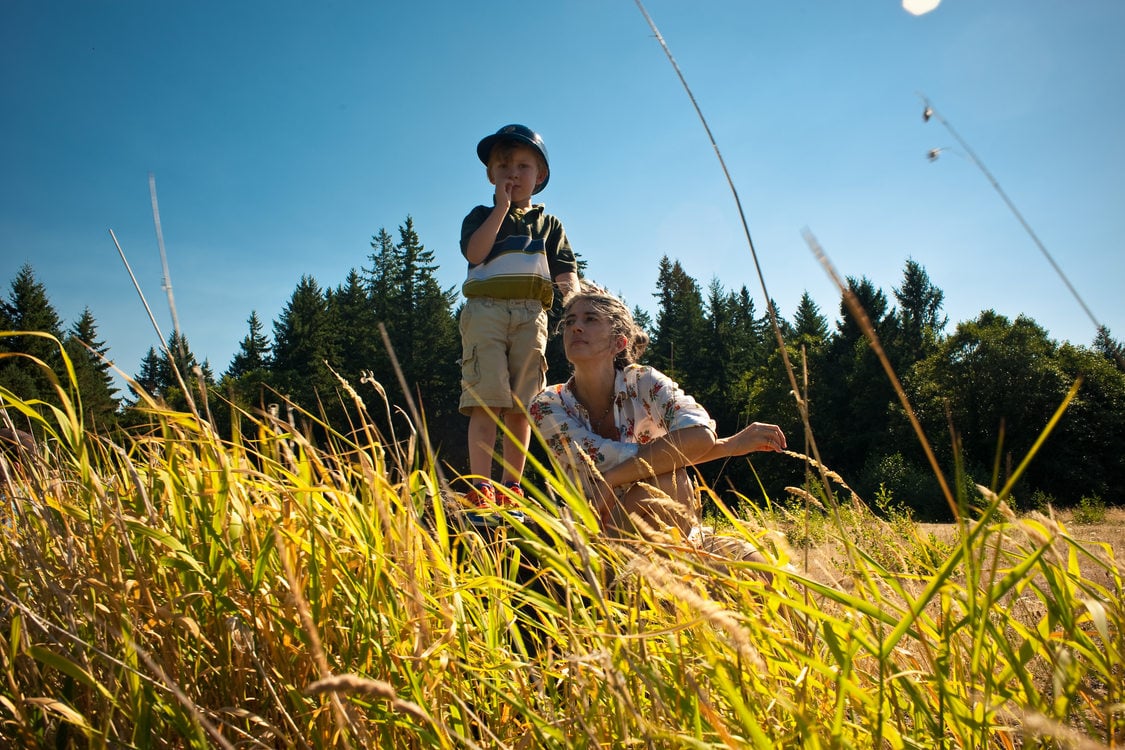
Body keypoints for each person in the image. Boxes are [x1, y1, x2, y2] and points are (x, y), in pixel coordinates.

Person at [529, 285, 787, 556]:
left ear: (619, 342)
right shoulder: (547, 405)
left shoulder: (643, 381)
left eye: (590, 319)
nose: (575, 328)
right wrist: (726, 446)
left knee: (764, 575)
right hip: (596, 531)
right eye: (569, 321)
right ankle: (618, 582)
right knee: (666, 479)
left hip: (673, 528)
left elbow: (698, 432)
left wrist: (613, 478)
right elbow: (598, 461)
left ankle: (667, 578)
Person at [459, 124, 580, 508]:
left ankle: (511, 486)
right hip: (486, 312)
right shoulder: (480, 216)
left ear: (540, 176)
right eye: (504, 165)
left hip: (532, 316)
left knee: (522, 404)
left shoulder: (549, 224)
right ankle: (481, 486)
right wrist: (500, 209)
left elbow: (565, 272)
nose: (513, 173)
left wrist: (575, 306)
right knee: (485, 399)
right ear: (490, 175)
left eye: (523, 166)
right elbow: (475, 255)